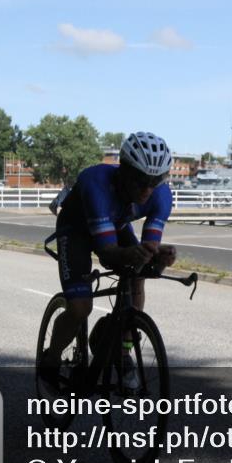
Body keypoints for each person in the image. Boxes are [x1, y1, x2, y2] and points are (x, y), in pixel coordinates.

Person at [42, 132, 177, 389]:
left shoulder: (161, 196)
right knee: (81, 308)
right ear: (124, 171)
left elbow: (147, 252)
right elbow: (107, 253)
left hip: (113, 224)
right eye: (141, 180)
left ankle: (122, 350)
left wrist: (158, 258)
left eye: (156, 181)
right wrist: (136, 254)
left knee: (138, 275)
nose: (148, 189)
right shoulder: (96, 183)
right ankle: (51, 358)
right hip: (76, 230)